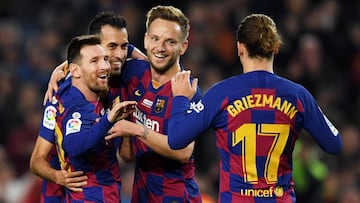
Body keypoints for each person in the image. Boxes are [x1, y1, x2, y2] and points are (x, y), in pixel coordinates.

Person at [166, 14, 343, 202]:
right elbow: (334, 144)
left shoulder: (221, 93)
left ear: (240, 48)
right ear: (276, 47)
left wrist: (181, 99)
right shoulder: (298, 95)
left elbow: (176, 139)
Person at [30, 11, 146, 202]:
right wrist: (58, 176)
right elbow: (37, 160)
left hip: (107, 191)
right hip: (65, 192)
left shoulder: (116, 85)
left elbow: (126, 155)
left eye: (123, 47)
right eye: (111, 47)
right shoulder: (59, 97)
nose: (119, 55)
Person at [104, 5, 203, 202]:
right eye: (155, 39)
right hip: (141, 195)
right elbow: (103, 49)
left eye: (170, 42)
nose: (160, 48)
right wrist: (63, 68)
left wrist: (136, 129)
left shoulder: (188, 91)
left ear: (183, 46)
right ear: (146, 39)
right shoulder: (134, 72)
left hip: (176, 196)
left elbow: (183, 152)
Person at [53, 34, 136, 202]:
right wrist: (109, 120)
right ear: (75, 71)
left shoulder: (75, 86)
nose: (105, 66)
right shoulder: (78, 107)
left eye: (105, 59)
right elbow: (73, 145)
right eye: (95, 61)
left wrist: (58, 70)